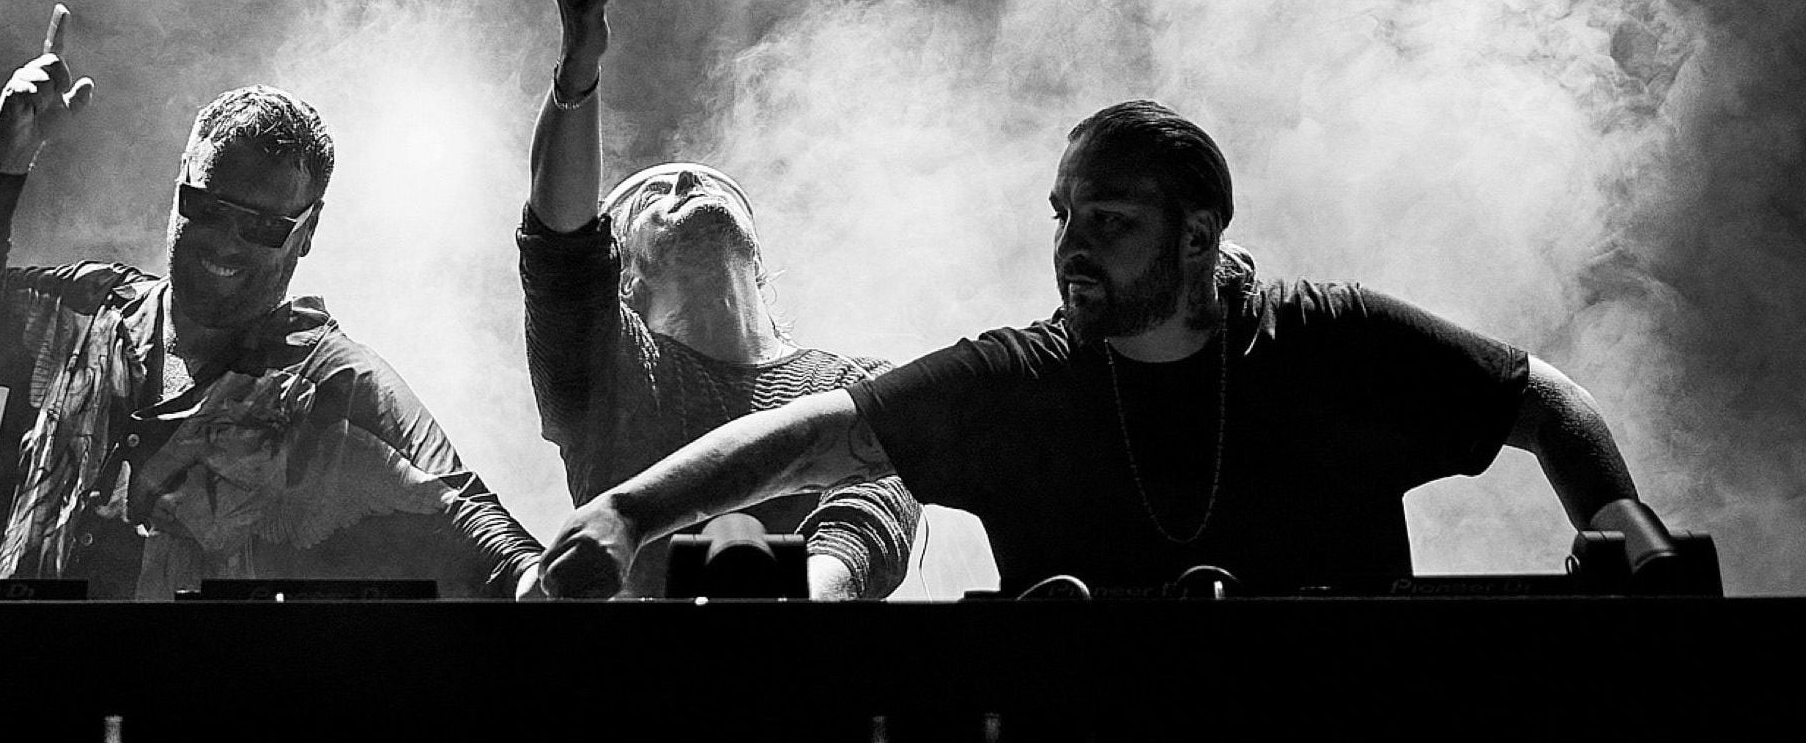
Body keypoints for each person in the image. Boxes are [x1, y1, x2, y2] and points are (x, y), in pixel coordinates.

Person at [539, 99, 1677, 598]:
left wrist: (1623, 535)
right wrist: (631, 512)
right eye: (1063, 217)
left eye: (1110, 221)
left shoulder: (1330, 341)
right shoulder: (1027, 377)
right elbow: (825, 436)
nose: (1073, 246)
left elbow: (1544, 400)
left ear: (1198, 234)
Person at [0, 5, 542, 598]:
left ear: (308, 232)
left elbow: (476, 531)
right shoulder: (85, 311)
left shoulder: (335, 387)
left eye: (262, 226)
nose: (225, 242)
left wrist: (547, 579)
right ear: (179, 185)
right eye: (206, 208)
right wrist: (3, 160)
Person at [519, 0, 919, 598]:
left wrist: (793, 613)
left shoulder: (856, 381)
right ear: (624, 281)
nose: (684, 178)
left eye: (709, 181)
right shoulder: (610, 369)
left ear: (756, 257)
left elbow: (864, 522)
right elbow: (560, 253)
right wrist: (578, 70)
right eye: (650, 197)